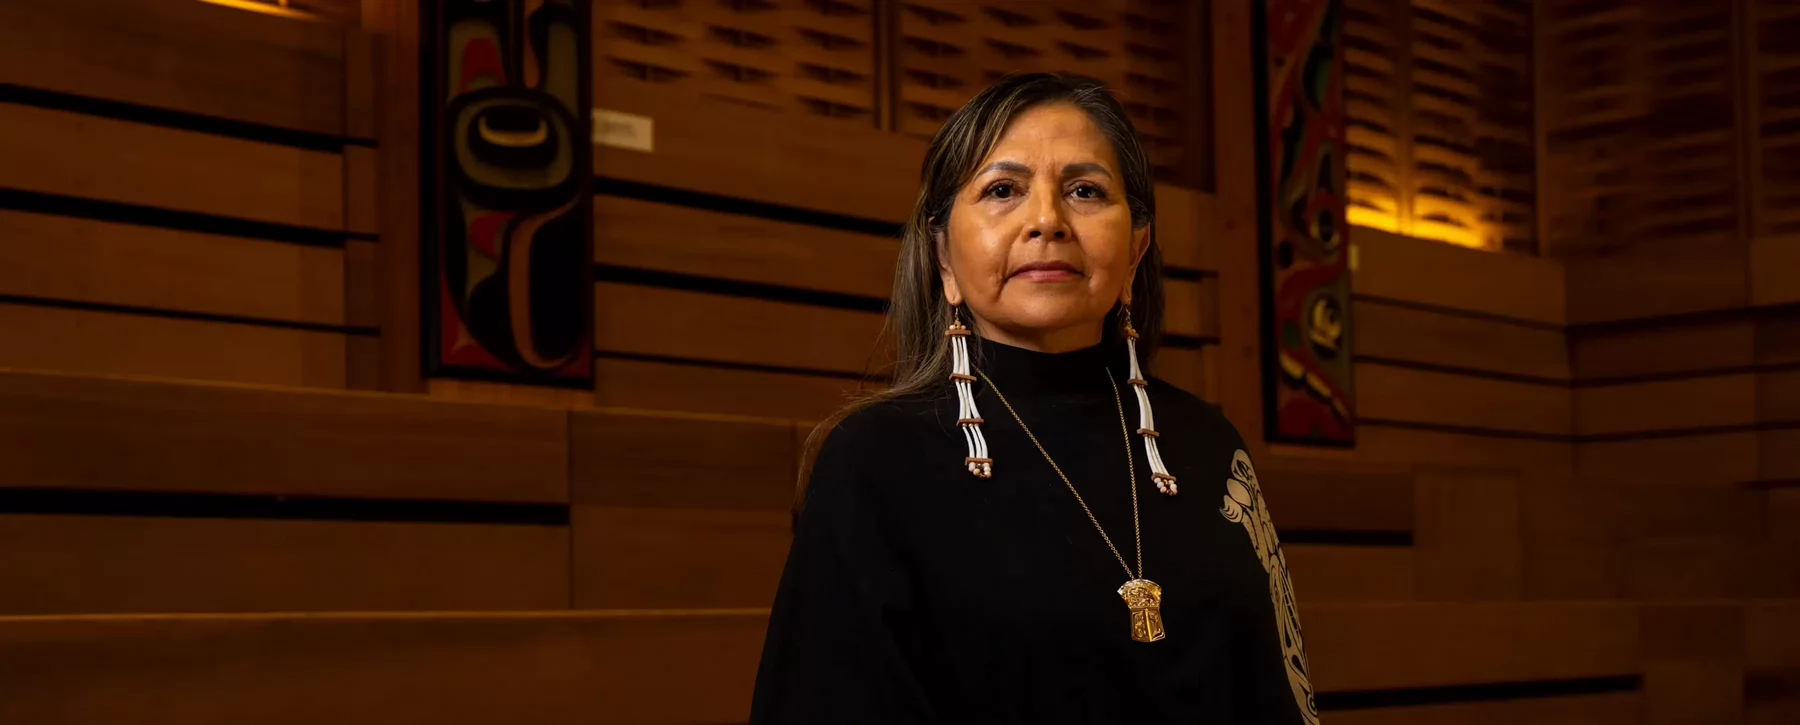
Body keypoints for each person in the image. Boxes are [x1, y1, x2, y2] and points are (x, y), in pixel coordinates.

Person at [750, 73, 1319, 725]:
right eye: (1002, 190)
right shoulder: (874, 461)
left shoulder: (1210, 448)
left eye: (1085, 190)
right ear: (943, 255)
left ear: (1136, 249)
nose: (1047, 220)